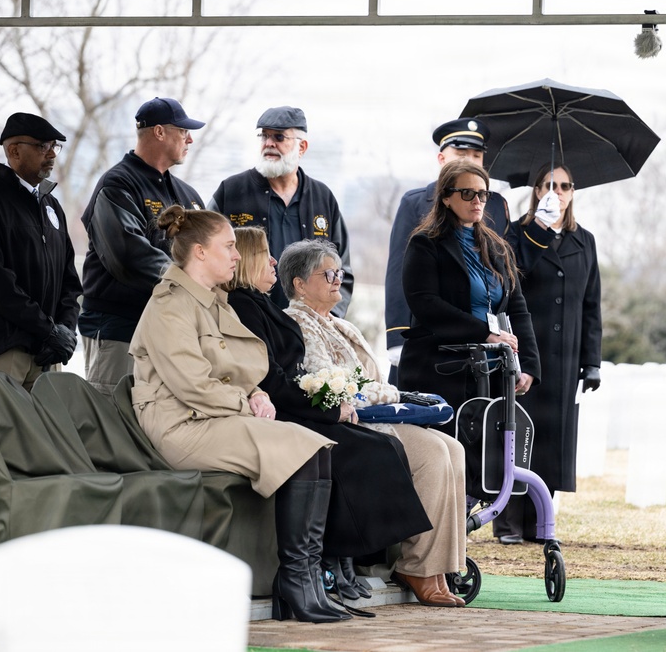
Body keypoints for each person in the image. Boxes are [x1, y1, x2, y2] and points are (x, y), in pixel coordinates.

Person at [128, 206, 349, 624]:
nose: (236, 254)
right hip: (181, 426)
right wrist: (245, 401)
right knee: (303, 447)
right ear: (199, 252)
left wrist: (255, 392)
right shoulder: (170, 304)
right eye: (228, 246)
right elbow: (191, 383)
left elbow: (242, 366)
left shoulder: (214, 302)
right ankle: (297, 582)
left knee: (316, 448)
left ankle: (301, 579)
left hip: (214, 417)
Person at [223, 230, 454, 608]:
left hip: (317, 405)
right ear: (300, 285)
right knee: (378, 449)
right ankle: (342, 561)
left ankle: (423, 564)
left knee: (433, 448)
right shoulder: (260, 308)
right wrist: (335, 408)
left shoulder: (262, 305)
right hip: (297, 411)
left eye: (339, 274)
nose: (272, 262)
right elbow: (282, 378)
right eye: (265, 255)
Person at [281, 238, 468, 608]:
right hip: (349, 422)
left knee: (453, 448)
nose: (338, 279)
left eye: (340, 272)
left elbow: (369, 381)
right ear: (299, 284)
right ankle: (417, 566)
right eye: (328, 273)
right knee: (432, 452)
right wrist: (396, 396)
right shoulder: (296, 321)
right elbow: (332, 381)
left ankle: (441, 567)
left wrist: (390, 394)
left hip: (370, 414)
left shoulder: (339, 325)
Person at [399, 158, 540, 499]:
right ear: (446, 197)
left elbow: (517, 308)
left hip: (487, 371)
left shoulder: (498, 247)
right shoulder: (425, 243)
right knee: (442, 463)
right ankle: (436, 544)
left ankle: (460, 536)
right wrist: (484, 334)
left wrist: (529, 366)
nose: (478, 201)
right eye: (467, 193)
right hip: (438, 368)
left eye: (483, 194)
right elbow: (425, 303)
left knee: (478, 464)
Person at [496, 162, 603, 545]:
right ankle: (508, 522)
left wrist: (592, 362)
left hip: (566, 356)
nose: (555, 192)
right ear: (536, 190)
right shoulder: (516, 234)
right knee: (518, 434)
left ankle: (540, 522)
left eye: (563, 186)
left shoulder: (584, 241)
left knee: (553, 441)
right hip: (527, 350)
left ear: (573, 192)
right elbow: (509, 279)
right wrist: (538, 230)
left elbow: (591, 305)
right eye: (547, 185)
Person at [78, 96, 206, 395]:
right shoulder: (117, 184)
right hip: (119, 329)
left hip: (170, 331)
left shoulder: (188, 194)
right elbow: (127, 254)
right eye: (183, 131)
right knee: (111, 424)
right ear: (159, 132)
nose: (190, 139)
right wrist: (190, 281)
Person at [384, 117, 510, 382]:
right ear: (442, 159)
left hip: (485, 341)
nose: (470, 161)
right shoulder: (416, 201)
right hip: (431, 335)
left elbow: (504, 276)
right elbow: (398, 272)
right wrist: (396, 333)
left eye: (477, 155)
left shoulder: (496, 204)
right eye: (461, 153)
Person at [209, 106, 354, 314]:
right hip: (243, 323)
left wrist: (328, 317)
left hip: (307, 329)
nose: (269, 143)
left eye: (278, 137)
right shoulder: (231, 191)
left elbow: (343, 270)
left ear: (302, 147)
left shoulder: (323, 198)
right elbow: (206, 254)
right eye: (264, 136)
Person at [0, 113, 80, 390]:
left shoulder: (51, 205)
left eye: (55, 146)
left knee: (48, 432)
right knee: (6, 433)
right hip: (6, 350)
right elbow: (0, 283)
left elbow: (69, 280)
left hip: (48, 352)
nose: (53, 154)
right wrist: (49, 330)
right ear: (14, 150)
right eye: (43, 146)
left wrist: (66, 331)